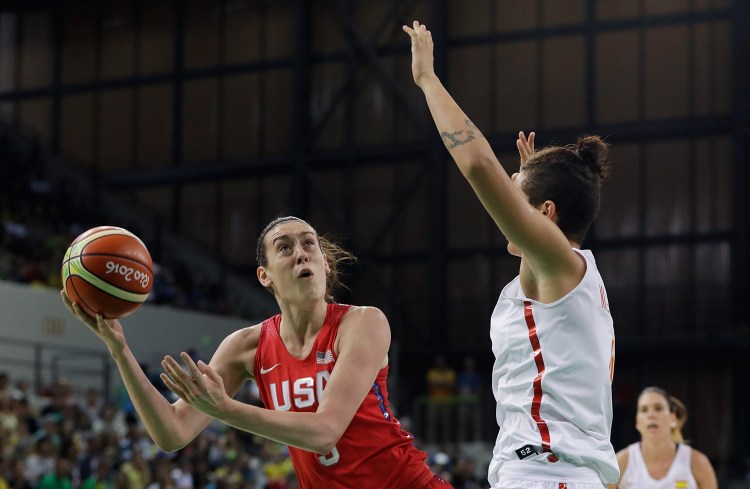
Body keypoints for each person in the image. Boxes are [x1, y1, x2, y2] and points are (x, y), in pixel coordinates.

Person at [61, 215, 452, 489]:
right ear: (265, 276)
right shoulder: (246, 346)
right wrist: (119, 348)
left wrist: (225, 409)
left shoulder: (362, 323)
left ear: (324, 264)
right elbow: (172, 432)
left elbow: (325, 431)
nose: (301, 253)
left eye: (309, 244)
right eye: (285, 248)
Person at [404, 20, 618, 489]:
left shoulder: (560, 266)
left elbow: (479, 164)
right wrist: (531, 177)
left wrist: (427, 79)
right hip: (539, 472)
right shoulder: (560, 277)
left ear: (546, 213)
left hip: (547, 474)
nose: (504, 210)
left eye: (517, 199)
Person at [613, 386, 717, 489]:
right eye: (644, 410)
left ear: (673, 418)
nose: (651, 415)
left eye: (658, 408)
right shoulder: (622, 461)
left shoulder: (697, 462)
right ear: (637, 422)